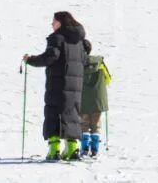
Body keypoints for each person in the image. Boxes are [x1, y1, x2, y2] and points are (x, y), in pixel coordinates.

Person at [23, 12, 87, 162]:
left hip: (58, 83)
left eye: (54, 21)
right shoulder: (79, 41)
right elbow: (84, 60)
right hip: (75, 86)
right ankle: (72, 149)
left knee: (53, 113)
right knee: (71, 115)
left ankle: (54, 150)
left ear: (61, 23)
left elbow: (50, 57)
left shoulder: (57, 38)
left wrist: (30, 60)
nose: (52, 24)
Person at [80, 40, 111, 158]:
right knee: (96, 124)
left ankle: (84, 148)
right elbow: (108, 80)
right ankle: (95, 149)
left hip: (82, 99)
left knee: (84, 123)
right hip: (98, 99)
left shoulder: (78, 63)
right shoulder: (99, 62)